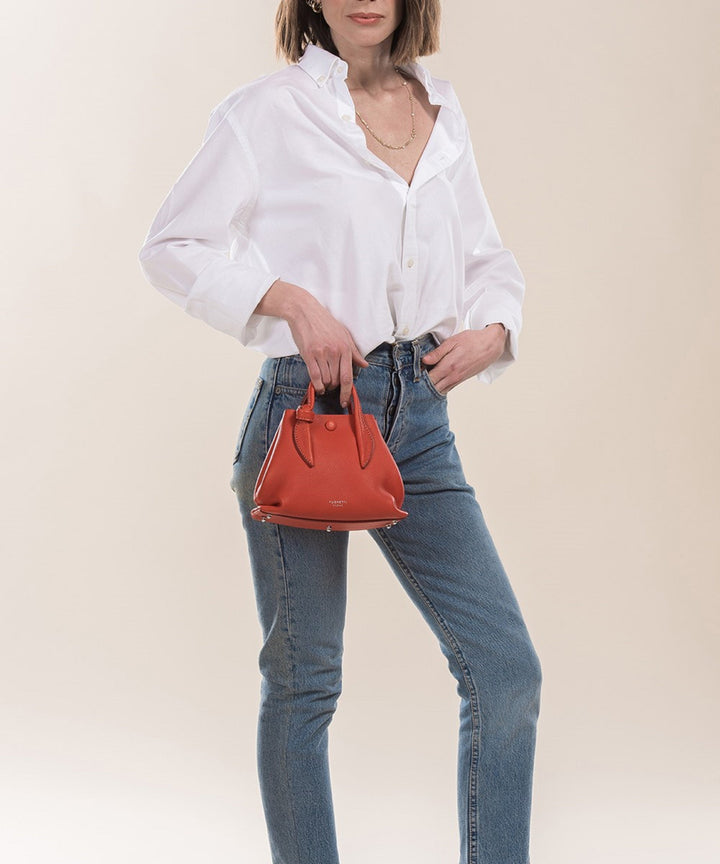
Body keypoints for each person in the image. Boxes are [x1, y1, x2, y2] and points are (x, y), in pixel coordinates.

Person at [138, 2, 542, 862]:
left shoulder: (442, 110)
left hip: (420, 418)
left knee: (506, 670)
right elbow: (173, 243)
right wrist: (290, 300)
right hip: (306, 410)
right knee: (305, 683)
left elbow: (485, 258)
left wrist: (496, 329)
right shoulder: (266, 112)